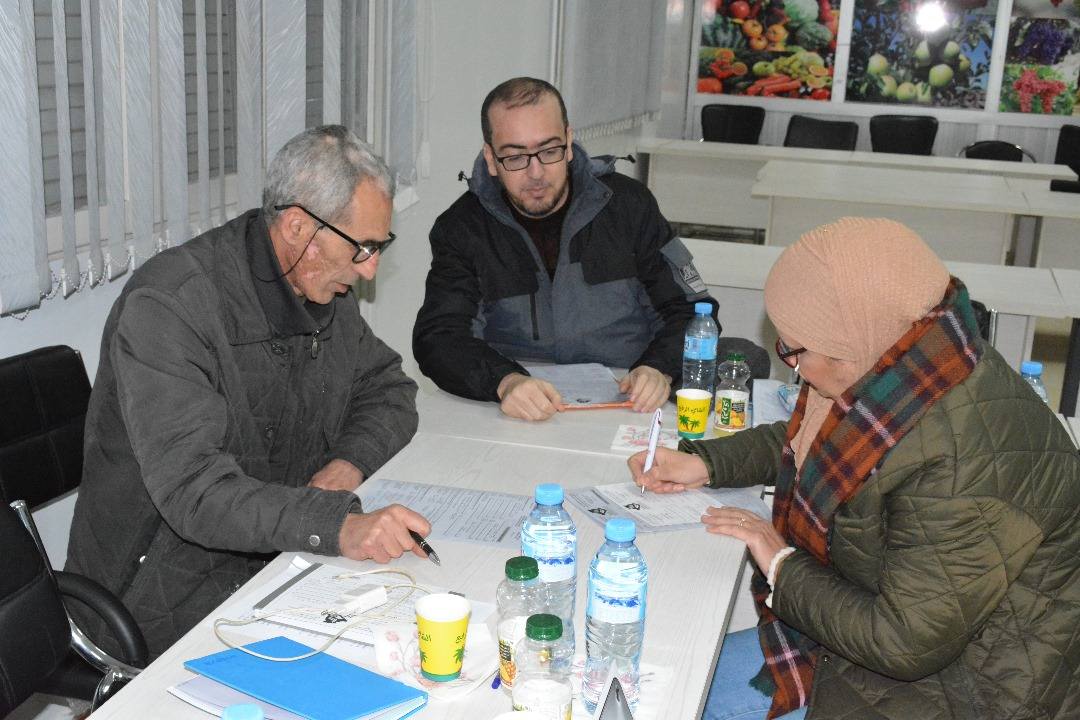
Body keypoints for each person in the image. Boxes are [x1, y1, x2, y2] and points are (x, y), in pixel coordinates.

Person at [631, 217, 1080, 719]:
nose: (793, 368)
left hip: (967, 690)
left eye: (795, 351)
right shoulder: (919, 362)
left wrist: (781, 563)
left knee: (676, 696)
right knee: (673, 670)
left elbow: (903, 643)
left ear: (852, 343)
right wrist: (705, 463)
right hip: (900, 637)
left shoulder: (964, 464)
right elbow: (818, 440)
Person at [67, 126, 431, 658]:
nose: (371, 267)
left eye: (379, 246)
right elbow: (195, 493)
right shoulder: (170, 306)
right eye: (363, 247)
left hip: (272, 566)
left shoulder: (321, 288)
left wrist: (348, 464)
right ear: (298, 227)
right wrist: (336, 526)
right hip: (154, 600)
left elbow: (389, 390)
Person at [413, 77, 748, 422]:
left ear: (569, 143)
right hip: (517, 406)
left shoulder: (628, 206)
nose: (536, 173)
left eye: (549, 151)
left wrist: (657, 368)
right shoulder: (462, 228)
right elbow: (439, 337)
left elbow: (691, 310)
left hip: (629, 398)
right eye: (514, 157)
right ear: (490, 158)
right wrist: (504, 381)